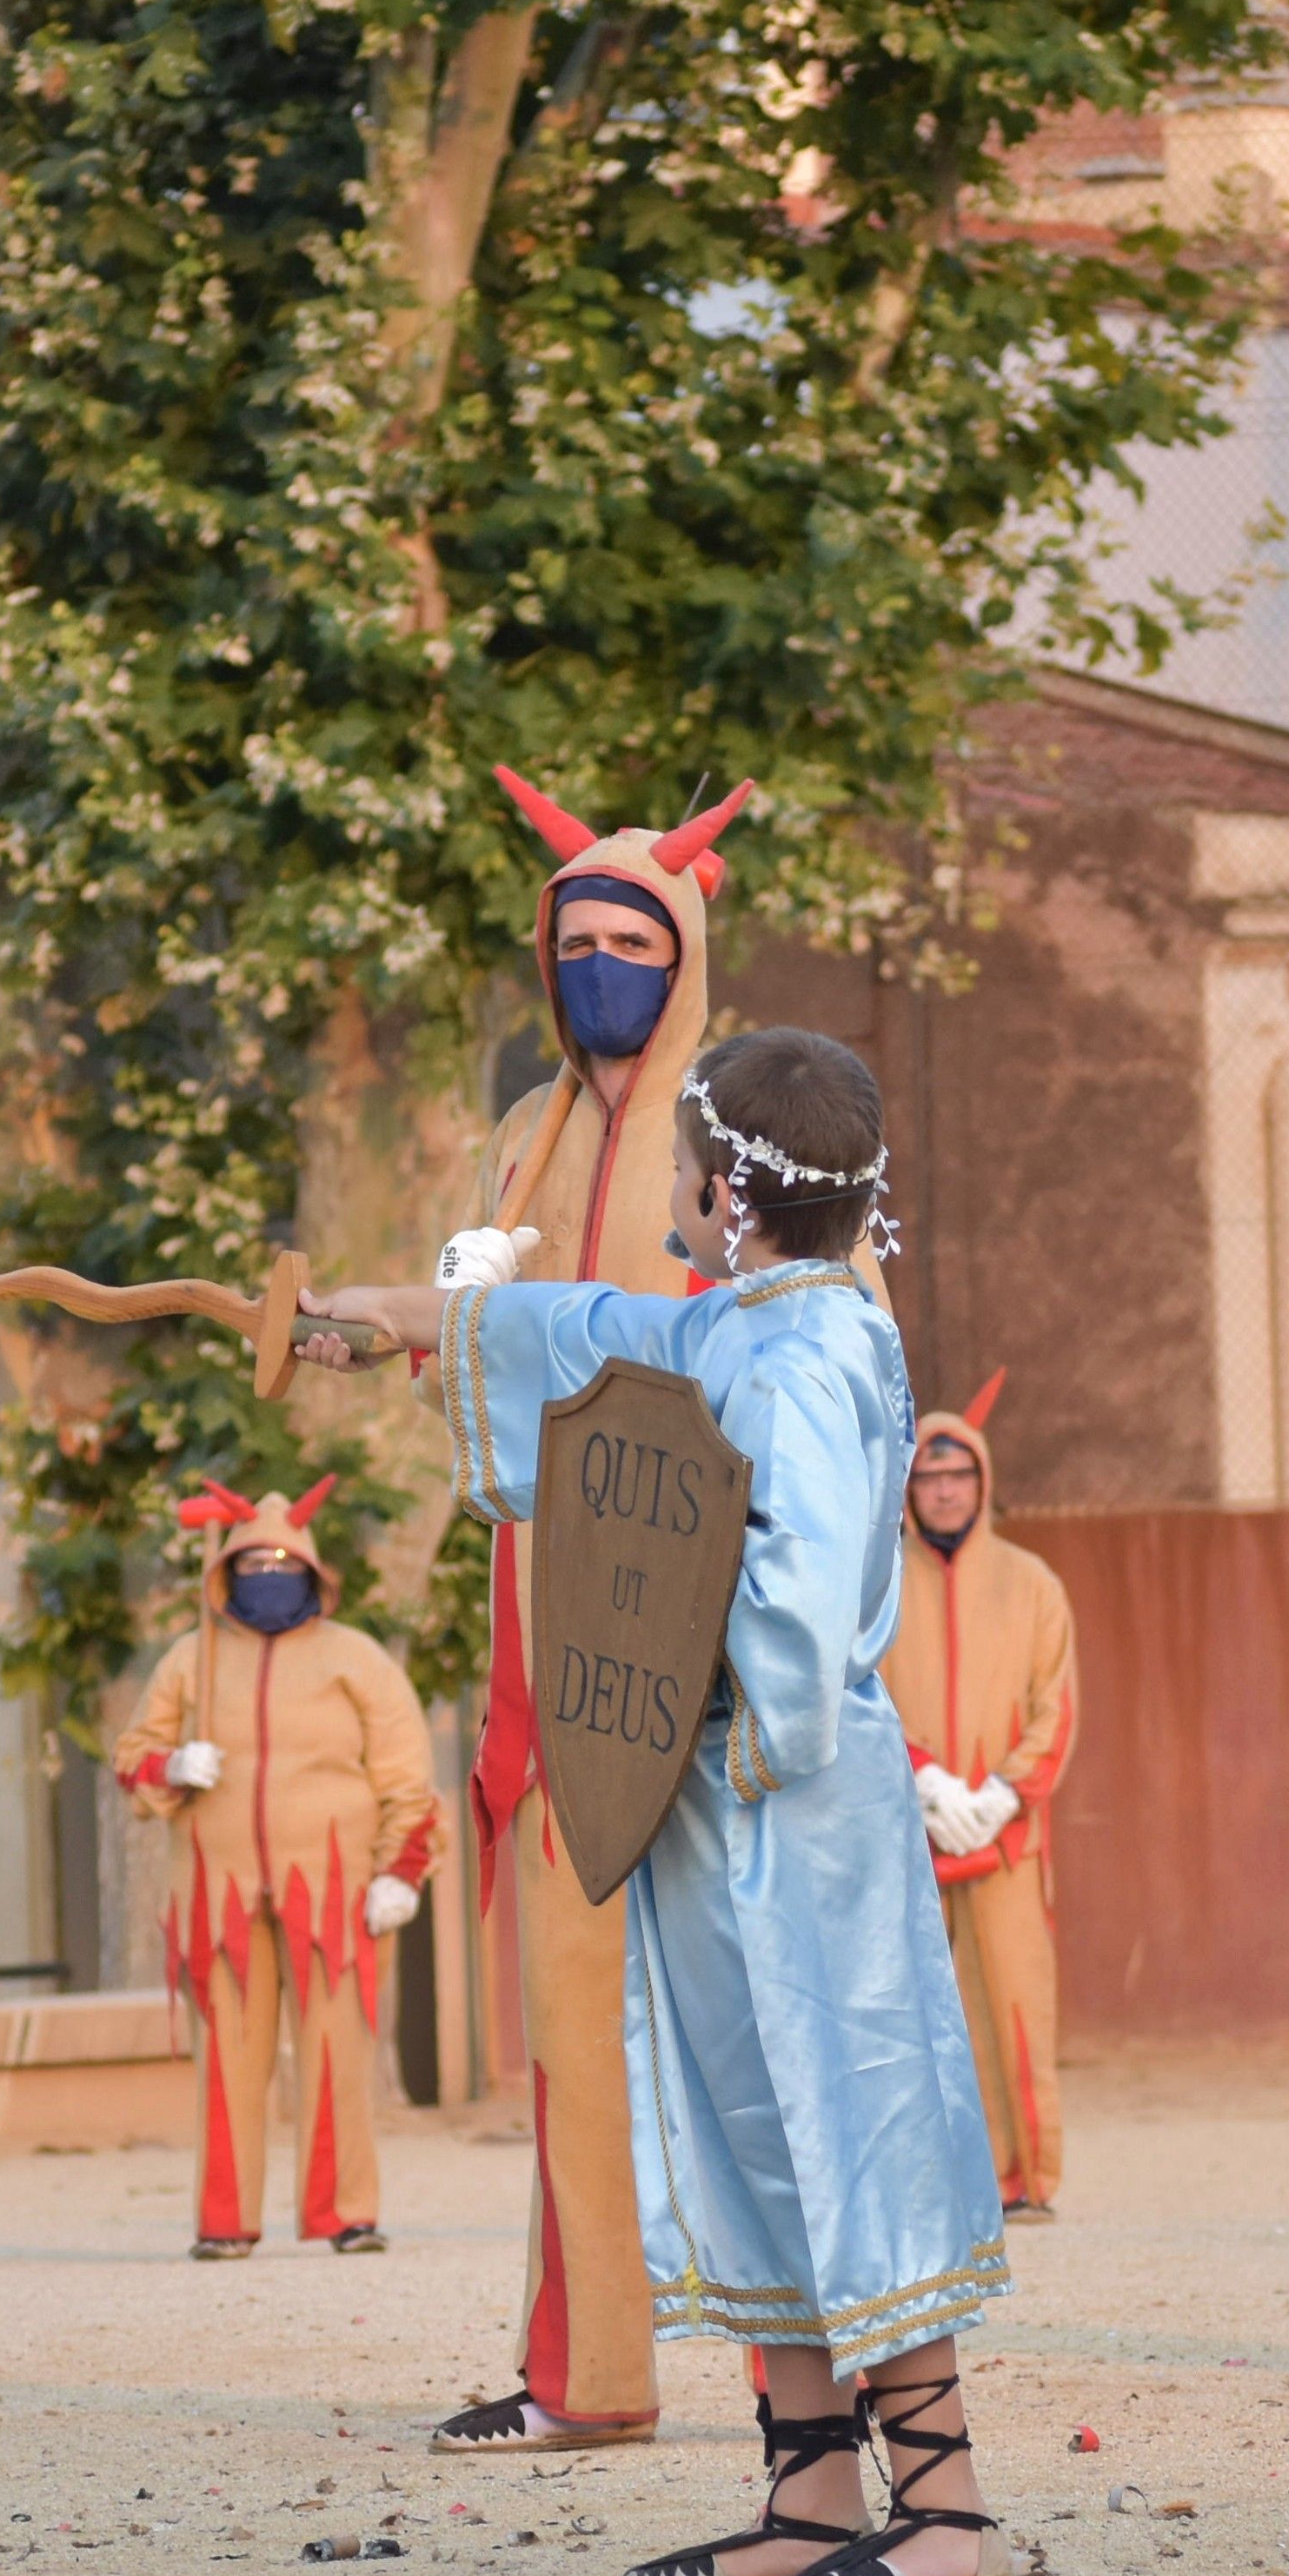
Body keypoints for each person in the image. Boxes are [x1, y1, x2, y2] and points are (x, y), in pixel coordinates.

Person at [311, 1021, 1015, 2576]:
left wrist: (717, 1716)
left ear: (725, 1191)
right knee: (748, 2121)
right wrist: (397, 1319)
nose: (673, 1198)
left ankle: (948, 2502)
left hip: (798, 1806)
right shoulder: (741, 1326)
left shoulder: (813, 1353)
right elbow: (582, 1331)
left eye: (687, 1172)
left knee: (848, 2122)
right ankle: (810, 2482)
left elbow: (811, 1598)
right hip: (719, 1814)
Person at [424, 770, 754, 2454]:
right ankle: (586, 2368)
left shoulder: (743, 1116)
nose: (601, 964)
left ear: (684, 943)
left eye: (635, 935)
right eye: (577, 939)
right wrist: (429, 1325)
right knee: (564, 2014)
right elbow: (472, 1371)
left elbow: (799, 1341)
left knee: (745, 2014)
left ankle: (824, 2383)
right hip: (539, 1627)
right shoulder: (517, 1134)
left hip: (693, 1626)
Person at [112, 1480, 435, 2258]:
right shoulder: (191, 1658)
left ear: (312, 1572)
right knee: (226, 2057)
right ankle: (224, 2222)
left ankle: (344, 2213)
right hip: (216, 1892)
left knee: (337, 2050)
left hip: (333, 1885)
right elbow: (130, 1761)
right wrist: (171, 1763)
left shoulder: (354, 1659)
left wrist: (404, 1869)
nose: (268, 1573)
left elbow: (407, 1774)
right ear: (224, 1569)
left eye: (283, 1560)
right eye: (252, 1560)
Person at [879, 1378, 1077, 2221]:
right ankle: (947, 2184)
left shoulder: (1032, 1584)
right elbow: (863, 1696)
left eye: (958, 1474)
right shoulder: (878, 1583)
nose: (945, 1490)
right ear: (909, 1489)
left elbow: (1055, 1709)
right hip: (906, 1838)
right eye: (928, 1477)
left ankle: (1025, 2180)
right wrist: (919, 1776)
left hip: (1004, 1839)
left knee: (1015, 2008)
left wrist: (1000, 1795)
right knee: (924, 2015)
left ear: (982, 1481)